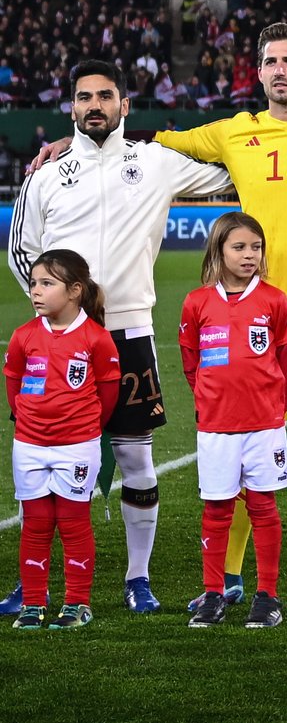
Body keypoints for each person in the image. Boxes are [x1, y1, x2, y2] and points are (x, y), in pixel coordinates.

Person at [33, 23, 287, 614]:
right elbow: (157, 141)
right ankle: (229, 577)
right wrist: (67, 143)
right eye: (269, 62)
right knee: (236, 450)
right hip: (250, 319)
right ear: (257, 74)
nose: (279, 70)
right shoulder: (235, 133)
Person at [7, 60, 233, 616]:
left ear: (124, 105)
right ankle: (38, 583)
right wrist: (57, 312)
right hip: (61, 341)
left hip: (130, 331)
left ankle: (138, 576)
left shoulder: (155, 163)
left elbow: (235, 172)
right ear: (72, 107)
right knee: (48, 463)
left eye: (106, 96)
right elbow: (22, 250)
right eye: (84, 97)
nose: (94, 106)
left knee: (136, 460)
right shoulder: (45, 175)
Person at [179, 213, 287, 630]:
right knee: (216, 509)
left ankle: (267, 596)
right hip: (215, 426)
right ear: (218, 250)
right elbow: (190, 363)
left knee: (264, 507)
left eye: (256, 247)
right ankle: (213, 594)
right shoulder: (197, 302)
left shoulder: (274, 300)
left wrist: (273, 407)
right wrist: (211, 401)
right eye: (240, 247)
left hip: (264, 424)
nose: (250, 255)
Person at [6, 250, 120, 630]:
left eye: (46, 284)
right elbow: (14, 386)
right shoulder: (23, 336)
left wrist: (80, 428)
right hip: (30, 446)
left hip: (77, 446)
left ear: (74, 291)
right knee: (36, 523)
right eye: (34, 283)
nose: (35, 291)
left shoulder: (96, 339)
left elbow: (107, 395)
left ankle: (77, 603)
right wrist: (31, 424)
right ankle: (34, 604)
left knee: (72, 522)